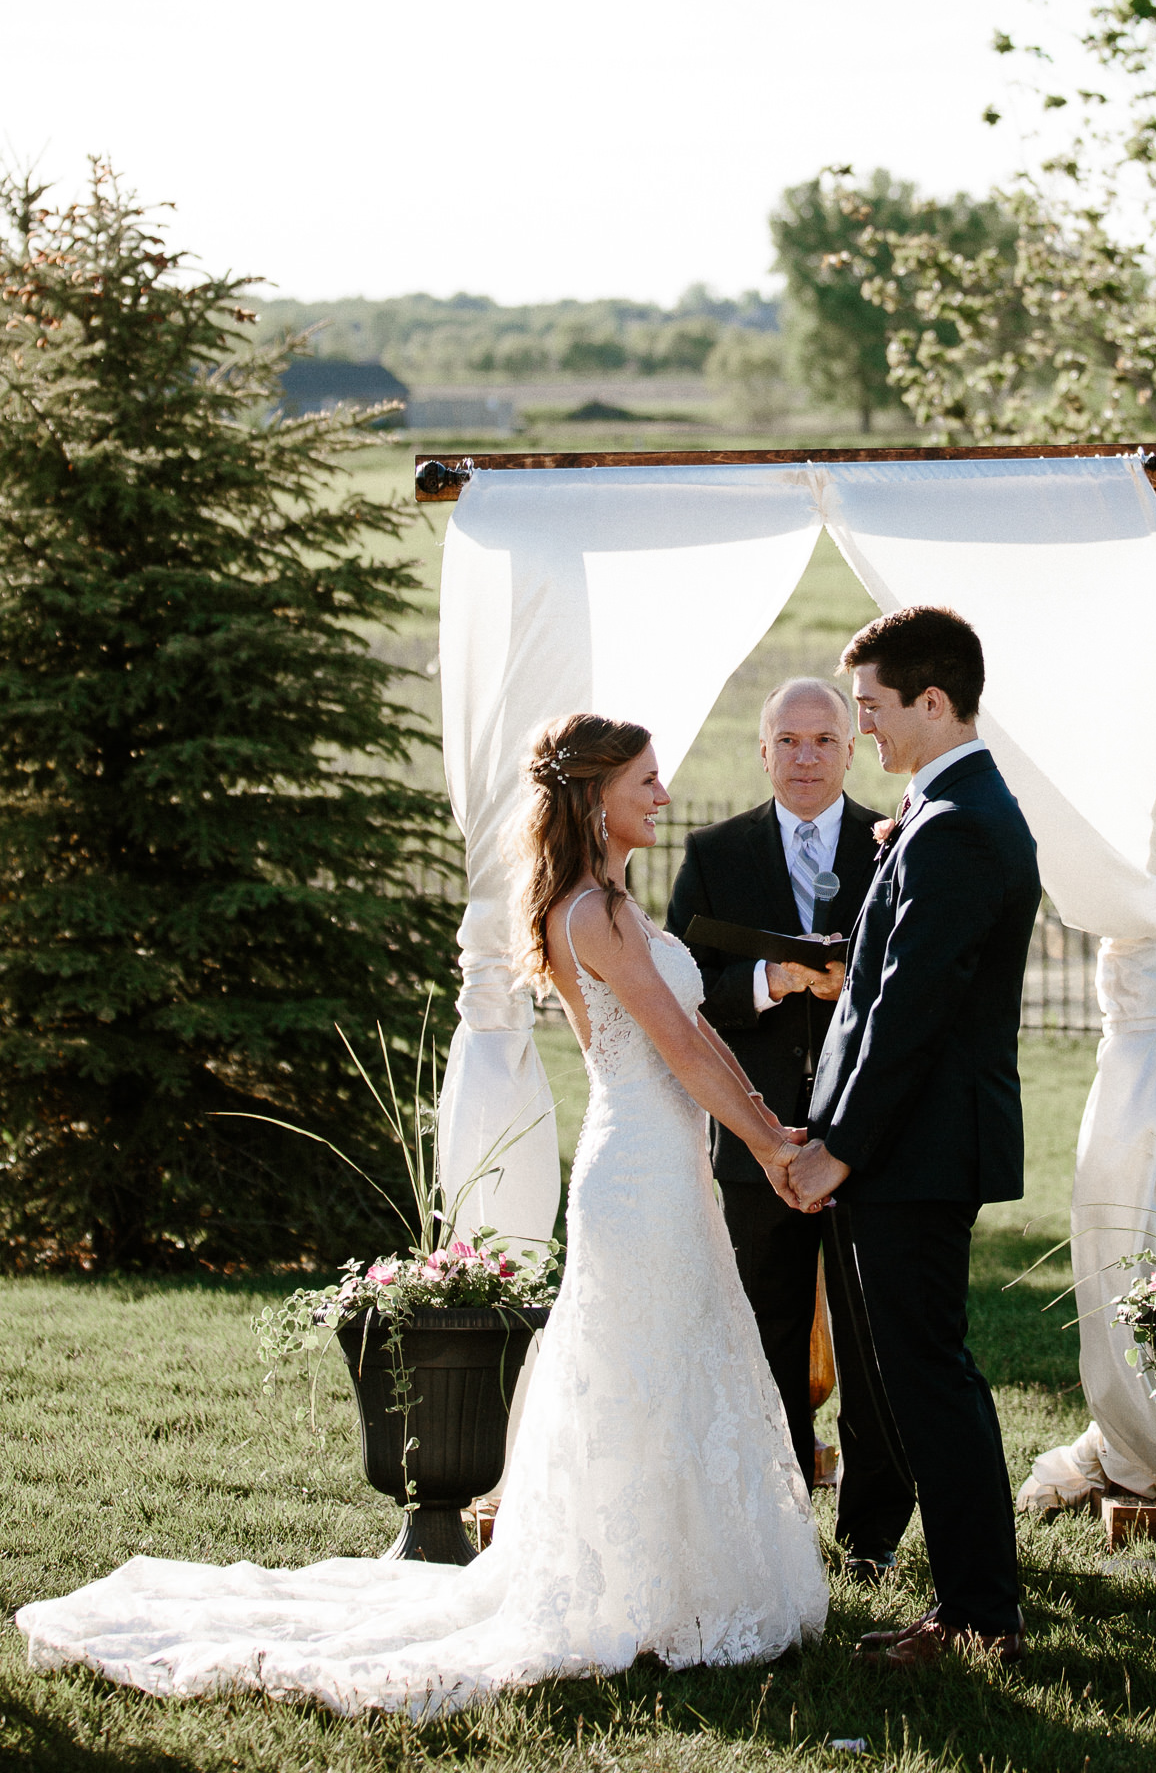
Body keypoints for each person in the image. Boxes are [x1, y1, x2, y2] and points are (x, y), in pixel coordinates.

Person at [17, 714, 827, 1715]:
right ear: (594, 794)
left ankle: (678, 1580)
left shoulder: (615, 904)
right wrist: (768, 1146)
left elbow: (700, 1031)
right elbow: (678, 1047)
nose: (663, 794)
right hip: (638, 1174)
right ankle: (639, 1588)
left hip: (667, 1164)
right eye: (647, 780)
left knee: (670, 1364)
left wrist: (773, 1131)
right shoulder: (594, 915)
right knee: (642, 1371)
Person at [787, 607, 1040, 1670]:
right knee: (913, 1374)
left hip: (915, 1147)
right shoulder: (943, 810)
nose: (864, 730)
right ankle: (970, 1599)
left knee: (927, 1375)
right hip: (905, 1141)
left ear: (932, 701)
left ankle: (978, 1611)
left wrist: (837, 1143)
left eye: (874, 709)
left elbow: (908, 1009)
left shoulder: (961, 821)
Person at [668, 678, 916, 1578]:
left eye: (824, 739)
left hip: (865, 1142)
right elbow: (678, 996)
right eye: (789, 741)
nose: (806, 757)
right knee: (764, 1338)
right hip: (754, 1141)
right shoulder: (715, 851)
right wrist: (772, 982)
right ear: (763, 751)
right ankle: (773, 1531)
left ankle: (872, 1539)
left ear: (851, 749)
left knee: (871, 1344)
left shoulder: (893, 842)